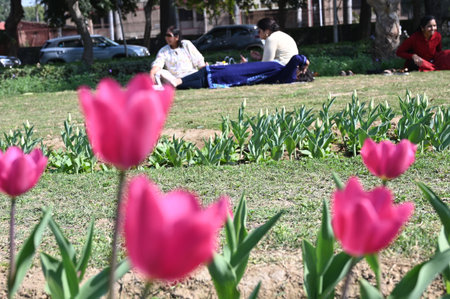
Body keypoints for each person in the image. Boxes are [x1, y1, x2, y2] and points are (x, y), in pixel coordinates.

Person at [177, 54, 310, 89]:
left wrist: (305, 64)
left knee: (178, 84)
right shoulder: (281, 69)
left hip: (225, 76)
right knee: (178, 82)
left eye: (299, 70)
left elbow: (297, 58)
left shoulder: (286, 77)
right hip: (221, 70)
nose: (296, 69)